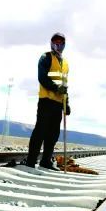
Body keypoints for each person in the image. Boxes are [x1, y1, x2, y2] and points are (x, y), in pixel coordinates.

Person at [25, 32, 70, 170]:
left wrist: (66, 103)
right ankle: (31, 161)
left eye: (60, 42)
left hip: (58, 104)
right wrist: (56, 88)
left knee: (53, 134)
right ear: (51, 43)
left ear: (64, 44)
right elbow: (42, 78)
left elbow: (65, 85)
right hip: (46, 101)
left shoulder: (65, 64)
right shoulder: (45, 58)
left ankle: (46, 161)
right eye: (55, 41)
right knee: (40, 131)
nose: (58, 44)